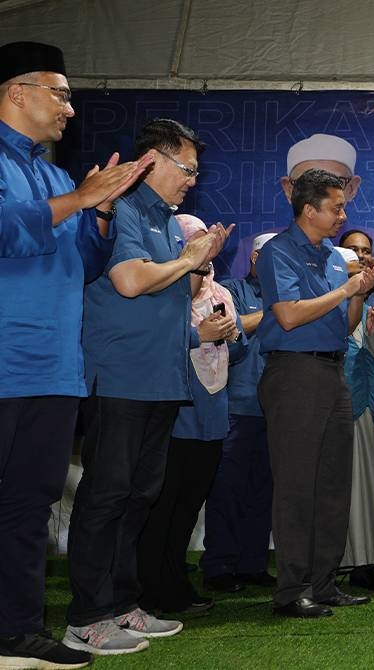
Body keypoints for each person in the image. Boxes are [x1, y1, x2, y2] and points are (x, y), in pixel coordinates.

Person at [0, 40, 152, 670]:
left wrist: (102, 215)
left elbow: (84, 265)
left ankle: (16, 631)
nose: (69, 107)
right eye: (58, 92)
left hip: (54, 366)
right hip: (5, 362)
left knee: (31, 505)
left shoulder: (58, 174)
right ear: (16, 91)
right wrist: (79, 202)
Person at [66, 118, 232, 655]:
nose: (192, 180)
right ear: (154, 161)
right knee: (107, 495)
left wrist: (196, 260)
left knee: (140, 496)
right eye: (187, 169)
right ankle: (87, 615)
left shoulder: (166, 219)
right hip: (119, 376)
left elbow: (172, 288)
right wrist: (189, 259)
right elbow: (129, 281)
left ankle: (122, 601)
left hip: (163, 377)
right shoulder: (125, 209)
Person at [256, 168, 374, 618]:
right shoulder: (278, 252)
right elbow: (289, 317)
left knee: (333, 484)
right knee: (297, 487)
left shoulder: (333, 257)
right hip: (293, 374)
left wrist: (358, 293)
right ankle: (291, 590)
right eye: (335, 208)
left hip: (333, 373)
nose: (341, 215)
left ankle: (325, 582)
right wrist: (347, 287)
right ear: (308, 209)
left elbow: (344, 326)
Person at [136, 214, 242, 616]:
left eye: (206, 242)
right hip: (176, 415)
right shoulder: (165, 290)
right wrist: (201, 334)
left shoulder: (219, 291)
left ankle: (175, 583)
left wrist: (230, 331)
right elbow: (156, 337)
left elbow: (242, 347)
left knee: (186, 511)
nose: (204, 249)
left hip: (211, 417)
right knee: (162, 509)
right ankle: (151, 589)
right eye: (194, 241)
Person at [201, 232, 279, 594]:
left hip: (277, 409)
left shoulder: (289, 294)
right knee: (228, 490)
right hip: (236, 405)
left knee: (264, 491)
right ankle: (219, 564)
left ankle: (252, 563)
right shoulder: (230, 289)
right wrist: (272, 315)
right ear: (255, 258)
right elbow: (229, 328)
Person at [338, 230, 374, 592]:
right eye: (353, 250)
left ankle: (364, 567)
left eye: (366, 251)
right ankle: (327, 566)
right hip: (329, 406)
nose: (361, 256)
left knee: (369, 490)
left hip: (367, 409)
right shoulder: (327, 293)